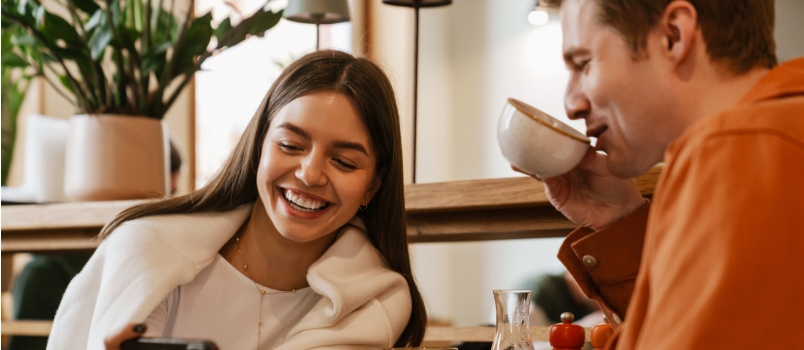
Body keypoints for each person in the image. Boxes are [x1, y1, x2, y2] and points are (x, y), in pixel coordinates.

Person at [47, 50, 428, 349]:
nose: (310, 174)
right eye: (290, 144)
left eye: (344, 161)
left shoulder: (377, 301)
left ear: (372, 187)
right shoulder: (147, 252)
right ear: (259, 145)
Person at [515, 0, 804, 349]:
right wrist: (619, 221)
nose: (572, 104)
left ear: (673, 36)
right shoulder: (771, 139)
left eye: (584, 63)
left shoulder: (733, 148)